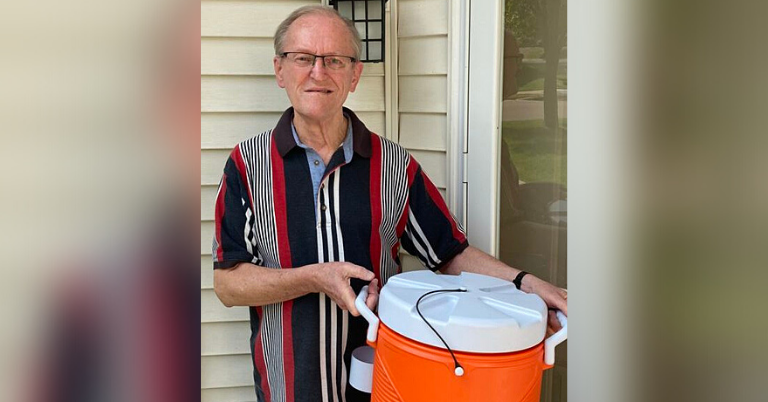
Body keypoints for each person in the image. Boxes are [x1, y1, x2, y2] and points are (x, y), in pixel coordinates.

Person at [212, 5, 568, 402]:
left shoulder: (394, 166)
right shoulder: (247, 164)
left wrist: (526, 284)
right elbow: (228, 283)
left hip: (384, 380)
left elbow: (450, 253)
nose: (318, 71)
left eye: (335, 60)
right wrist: (313, 277)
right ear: (280, 70)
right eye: (303, 58)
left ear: (354, 75)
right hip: (287, 387)